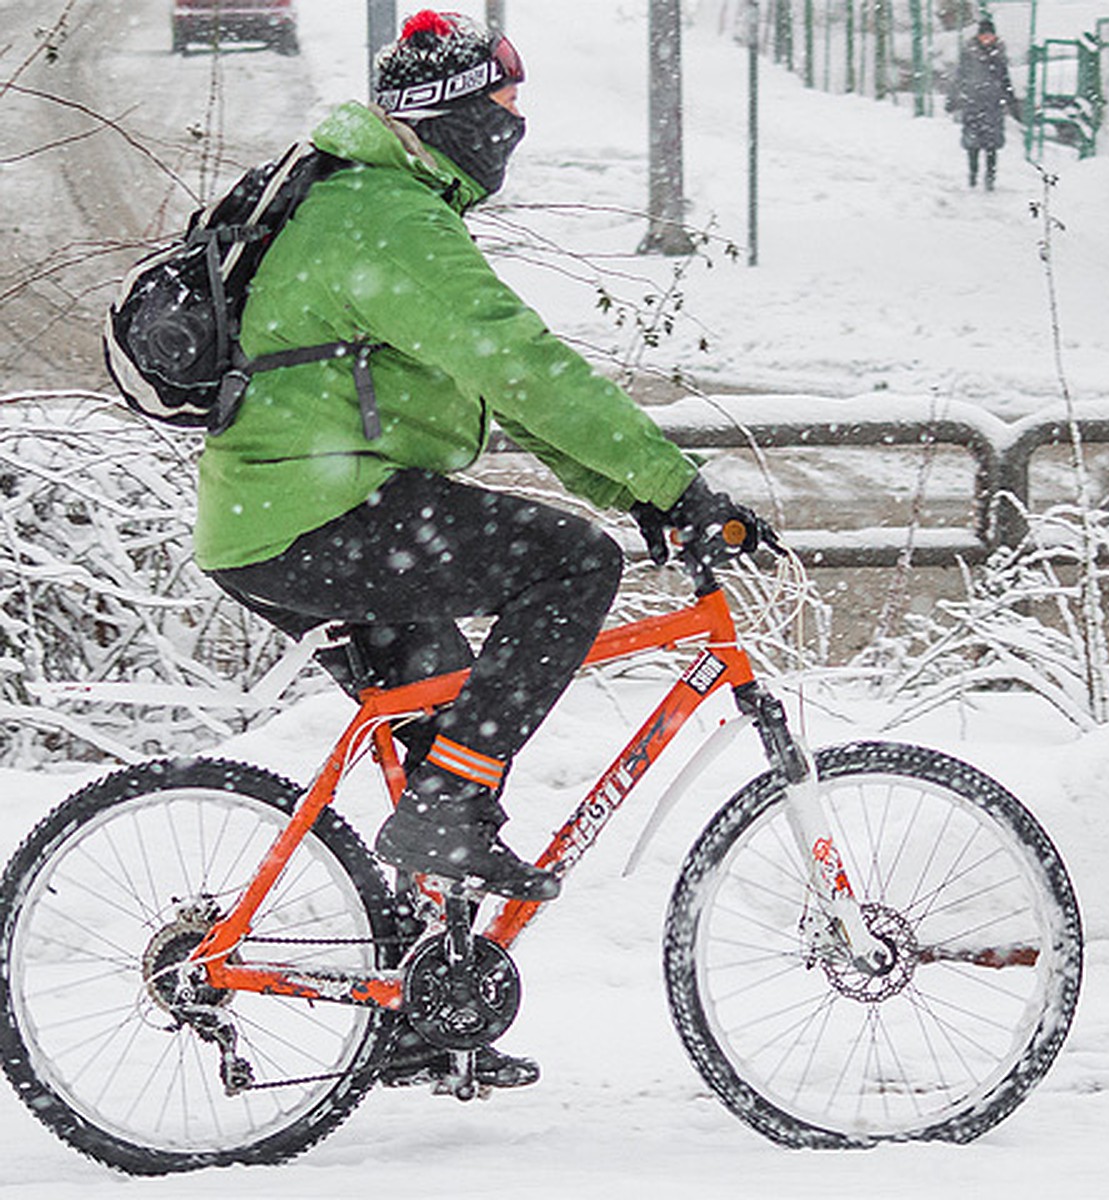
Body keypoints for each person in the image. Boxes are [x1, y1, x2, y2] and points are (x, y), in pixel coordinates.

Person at [193, 11, 767, 1082]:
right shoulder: (384, 218)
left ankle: (419, 1007)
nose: (515, 122)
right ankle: (454, 809)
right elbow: (523, 366)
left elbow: (515, 395)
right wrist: (672, 487)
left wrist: (634, 488)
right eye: (502, 103)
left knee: (445, 706)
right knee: (571, 564)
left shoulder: (368, 200)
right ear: (450, 112)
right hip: (311, 515)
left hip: (288, 517)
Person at [946, 17, 1022, 191]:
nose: (987, 39)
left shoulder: (999, 56)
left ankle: (990, 178)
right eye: (984, 36)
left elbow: (1005, 80)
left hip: (993, 105)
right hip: (973, 103)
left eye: (990, 36)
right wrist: (953, 98)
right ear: (979, 37)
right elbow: (960, 77)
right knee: (972, 144)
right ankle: (973, 176)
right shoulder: (969, 55)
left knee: (991, 145)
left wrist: (1012, 103)